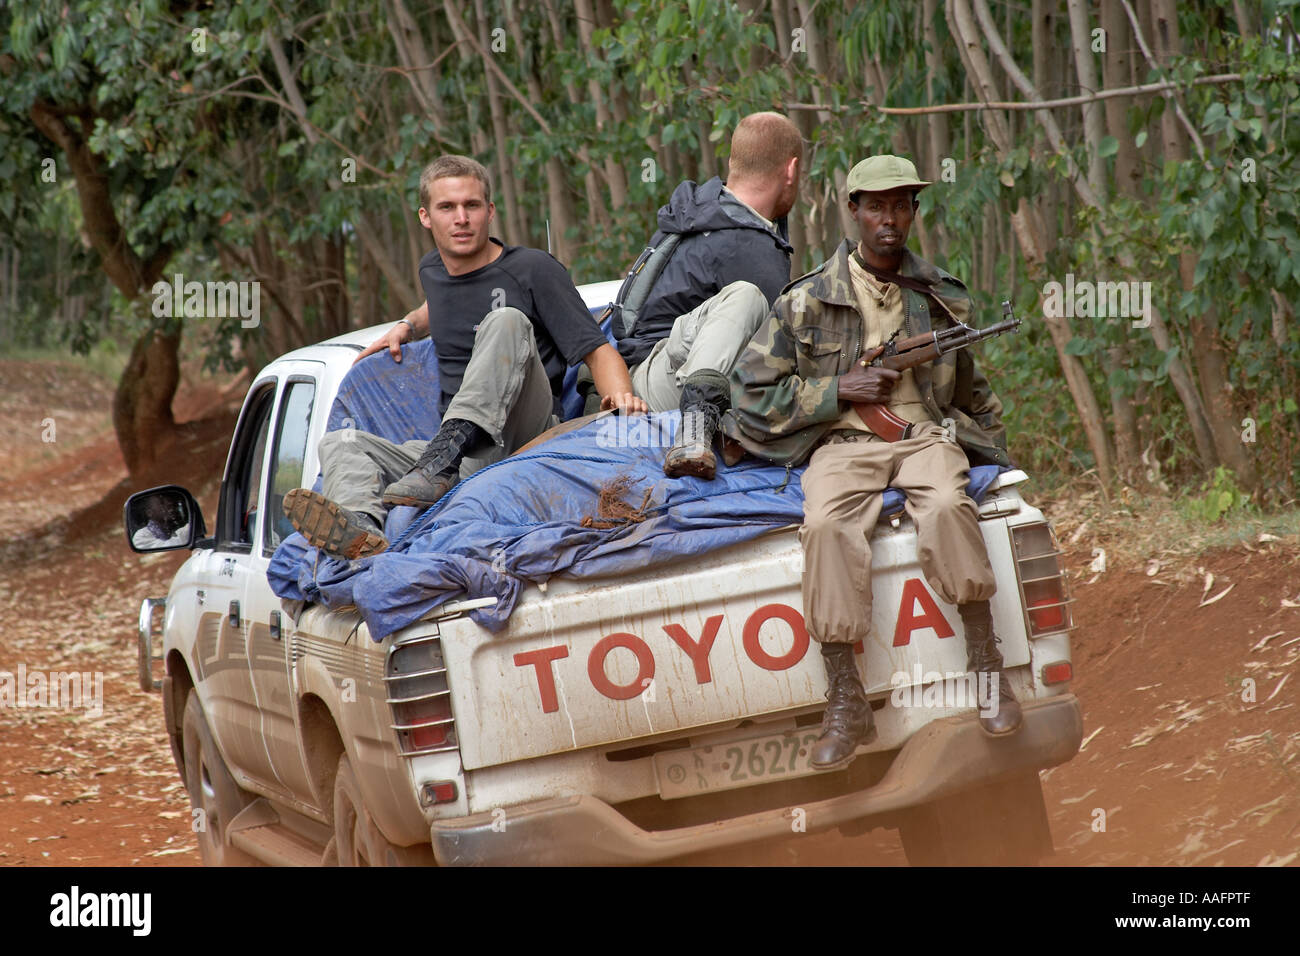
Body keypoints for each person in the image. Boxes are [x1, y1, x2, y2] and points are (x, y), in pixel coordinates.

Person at [721, 154, 1022, 768]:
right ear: (853, 210)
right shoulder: (806, 301)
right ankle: (846, 697)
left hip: (922, 434)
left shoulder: (940, 298)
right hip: (843, 443)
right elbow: (749, 395)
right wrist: (838, 392)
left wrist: (996, 449)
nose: (890, 218)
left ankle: (987, 664)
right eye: (876, 205)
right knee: (827, 527)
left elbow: (971, 390)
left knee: (946, 504)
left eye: (901, 205)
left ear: (914, 212)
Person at [283, 155, 646, 561]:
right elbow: (440, 302)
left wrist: (621, 404)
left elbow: (598, 351)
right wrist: (408, 325)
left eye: (472, 206)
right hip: (457, 462)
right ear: (425, 217)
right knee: (340, 442)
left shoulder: (532, 270)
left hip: (526, 437)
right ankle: (362, 534)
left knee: (505, 319)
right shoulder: (433, 270)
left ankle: (441, 462)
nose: (461, 218)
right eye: (447, 207)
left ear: (490, 211)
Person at [611, 112, 802, 480]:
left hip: (645, 376)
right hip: (656, 388)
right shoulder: (746, 243)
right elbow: (785, 354)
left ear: (733, 162)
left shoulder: (704, 213)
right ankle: (694, 433)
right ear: (791, 171)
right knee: (746, 298)